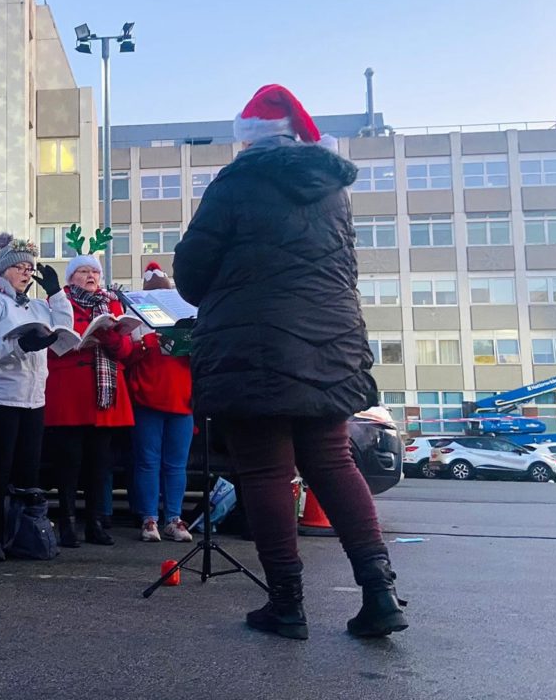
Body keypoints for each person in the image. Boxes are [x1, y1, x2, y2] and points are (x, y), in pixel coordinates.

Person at [173, 84, 407, 640]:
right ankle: (380, 594)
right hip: (330, 342)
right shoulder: (333, 191)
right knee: (332, 461)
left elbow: (189, 276)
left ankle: (287, 604)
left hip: (255, 346)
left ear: (249, 140)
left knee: (265, 470)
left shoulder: (235, 183)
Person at [0, 234, 72, 561]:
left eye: (30, 268)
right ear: (5, 269)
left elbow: (64, 336)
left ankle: (23, 536)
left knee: (28, 472)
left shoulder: (39, 305)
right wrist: (19, 346)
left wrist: (56, 293)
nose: (26, 273)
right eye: (20, 267)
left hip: (31, 398)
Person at [45, 253, 134, 548]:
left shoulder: (112, 304)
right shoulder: (59, 303)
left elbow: (125, 351)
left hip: (103, 394)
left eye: (93, 271)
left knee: (100, 463)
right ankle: (68, 523)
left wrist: (108, 337)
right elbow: (51, 344)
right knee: (68, 462)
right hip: (69, 389)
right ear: (71, 279)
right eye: (82, 272)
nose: (90, 276)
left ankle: (95, 523)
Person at [126, 263, 194, 544]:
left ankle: (174, 518)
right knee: (147, 462)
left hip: (182, 401)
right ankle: (149, 517)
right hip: (148, 400)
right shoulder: (134, 320)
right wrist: (148, 343)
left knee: (176, 464)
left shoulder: (187, 316)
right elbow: (127, 357)